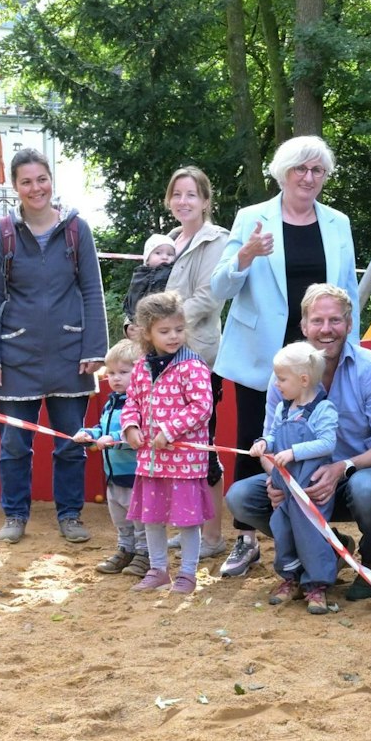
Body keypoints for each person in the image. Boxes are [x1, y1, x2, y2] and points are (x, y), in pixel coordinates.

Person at [209, 137, 359, 578]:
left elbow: (347, 289)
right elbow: (219, 289)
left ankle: (316, 530)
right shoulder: (251, 217)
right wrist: (245, 255)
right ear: (282, 173)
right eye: (301, 170)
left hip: (320, 352)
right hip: (262, 355)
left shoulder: (337, 222)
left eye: (318, 171)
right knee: (255, 439)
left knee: (316, 440)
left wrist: (348, 345)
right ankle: (246, 537)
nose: (309, 178)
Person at [223, 284, 371, 598]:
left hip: (362, 478)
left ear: (349, 325)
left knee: (366, 489)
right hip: (300, 481)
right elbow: (270, 440)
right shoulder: (282, 373)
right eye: (318, 321)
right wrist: (275, 478)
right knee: (240, 496)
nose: (327, 330)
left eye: (335, 321)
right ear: (304, 326)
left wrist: (343, 467)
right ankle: (326, 550)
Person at [0, 147, 109, 545]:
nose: (36, 188)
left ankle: (69, 515)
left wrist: (94, 348)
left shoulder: (76, 229)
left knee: (72, 442)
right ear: (15, 187)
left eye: (42, 179)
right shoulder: (1, 235)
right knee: (14, 443)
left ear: (52, 180)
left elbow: (91, 291)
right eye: (27, 181)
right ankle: (15, 515)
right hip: (16, 356)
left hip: (70, 354)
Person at [121, 291, 218, 595]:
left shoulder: (193, 366)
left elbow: (202, 407)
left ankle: (188, 573)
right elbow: (132, 402)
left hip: (185, 464)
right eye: (164, 331)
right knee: (152, 518)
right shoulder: (141, 367)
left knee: (188, 522)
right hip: (150, 462)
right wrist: (131, 426)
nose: (173, 336)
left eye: (178, 329)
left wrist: (169, 429)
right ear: (147, 333)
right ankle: (158, 569)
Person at [162, 165, 232, 549]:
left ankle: (213, 535)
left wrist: (159, 326)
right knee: (175, 445)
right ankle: (189, 528)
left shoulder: (216, 241)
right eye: (177, 194)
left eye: (191, 194)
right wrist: (136, 326)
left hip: (199, 358)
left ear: (206, 201)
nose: (183, 201)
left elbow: (208, 299)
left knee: (202, 446)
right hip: (164, 359)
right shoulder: (168, 241)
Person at [250, 341, 341, 614]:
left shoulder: (324, 409)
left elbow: (327, 443)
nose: (277, 384)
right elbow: (273, 434)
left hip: (309, 487)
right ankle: (290, 578)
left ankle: (317, 586)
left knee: (311, 534)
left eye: (281, 378)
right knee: (283, 531)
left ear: (303, 380)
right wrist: (263, 443)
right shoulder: (283, 408)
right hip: (285, 487)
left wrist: (293, 452)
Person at [77, 339, 146, 575]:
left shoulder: (141, 404)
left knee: (140, 521)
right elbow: (103, 428)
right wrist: (90, 433)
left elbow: (139, 435)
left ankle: (144, 555)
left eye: (124, 372)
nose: (115, 378)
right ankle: (125, 550)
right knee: (120, 519)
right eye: (112, 373)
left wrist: (114, 438)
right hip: (113, 476)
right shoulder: (111, 402)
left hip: (136, 475)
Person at [121, 235, 177, 337]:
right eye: (158, 253)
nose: (165, 257)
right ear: (147, 258)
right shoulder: (139, 275)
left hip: (160, 322)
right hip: (138, 326)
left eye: (170, 254)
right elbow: (131, 299)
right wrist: (129, 323)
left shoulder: (171, 273)